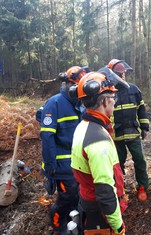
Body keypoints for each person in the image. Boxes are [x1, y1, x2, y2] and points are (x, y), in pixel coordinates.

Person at [70, 69, 129, 235]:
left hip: (90, 205)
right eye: (113, 98)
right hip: (101, 214)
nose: (114, 103)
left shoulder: (84, 126)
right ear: (104, 102)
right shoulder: (98, 140)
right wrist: (118, 226)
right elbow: (105, 191)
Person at [39, 65, 89, 234]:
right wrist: (50, 166)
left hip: (80, 163)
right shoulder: (54, 104)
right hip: (62, 166)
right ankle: (58, 223)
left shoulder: (83, 104)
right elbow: (47, 137)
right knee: (67, 197)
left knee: (80, 197)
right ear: (69, 84)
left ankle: (75, 224)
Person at [108, 59, 149, 201]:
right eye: (119, 73)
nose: (122, 75)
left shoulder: (133, 89)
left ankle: (142, 187)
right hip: (116, 135)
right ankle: (119, 189)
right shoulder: (109, 91)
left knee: (140, 160)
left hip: (133, 132)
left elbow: (141, 109)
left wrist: (144, 127)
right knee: (117, 163)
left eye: (123, 72)